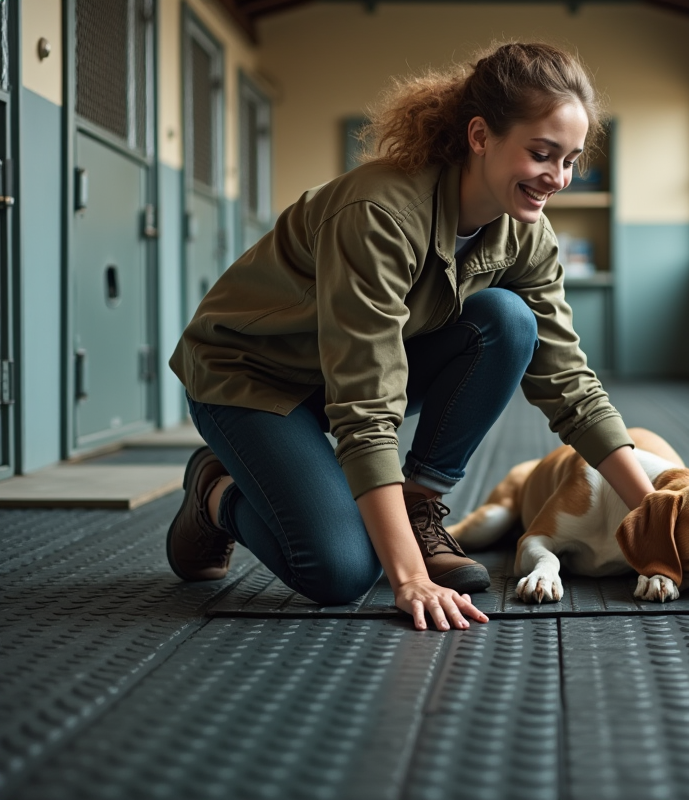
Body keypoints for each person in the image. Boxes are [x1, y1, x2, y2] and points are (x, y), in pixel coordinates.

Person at [165, 42, 657, 632]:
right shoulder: (379, 213)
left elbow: (568, 383)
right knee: (341, 572)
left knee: (508, 321)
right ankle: (214, 492)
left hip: (338, 376)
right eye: (541, 154)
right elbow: (365, 401)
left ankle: (418, 509)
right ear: (480, 136)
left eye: (571, 159)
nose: (557, 178)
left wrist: (655, 514)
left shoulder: (527, 235)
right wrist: (408, 579)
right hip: (250, 376)